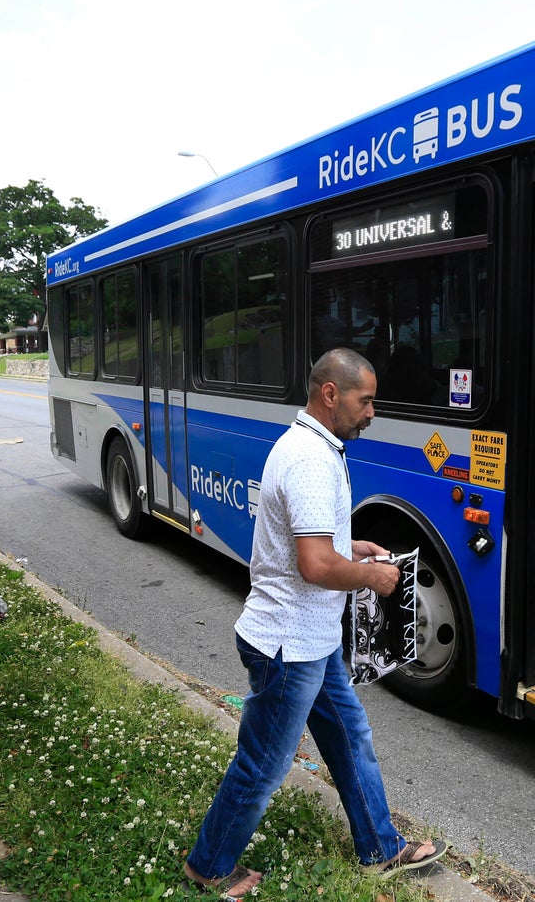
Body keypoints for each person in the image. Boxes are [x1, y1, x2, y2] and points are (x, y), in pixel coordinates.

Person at [183, 347, 447, 898]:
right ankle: (208, 865)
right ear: (331, 394)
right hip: (288, 645)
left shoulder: (318, 447)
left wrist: (353, 545)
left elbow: (312, 541)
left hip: (314, 640)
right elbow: (314, 564)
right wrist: (370, 577)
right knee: (264, 763)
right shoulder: (308, 458)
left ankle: (380, 846)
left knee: (350, 737)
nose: (372, 411)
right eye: (365, 400)